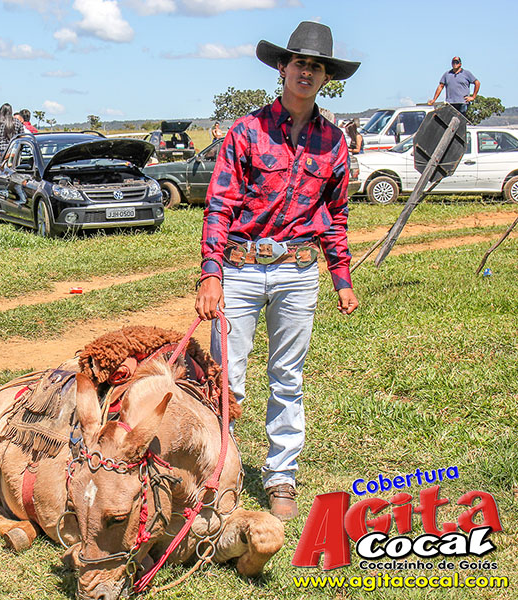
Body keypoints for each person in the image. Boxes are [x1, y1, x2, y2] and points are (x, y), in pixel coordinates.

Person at [194, 21, 360, 522]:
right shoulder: (246, 132)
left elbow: (335, 215)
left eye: (317, 66)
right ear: (283, 69)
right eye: (299, 63)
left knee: (287, 377)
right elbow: (219, 205)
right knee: (226, 381)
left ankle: (281, 477)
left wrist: (342, 276)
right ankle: (218, 473)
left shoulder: (333, 143)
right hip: (241, 269)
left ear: (325, 77)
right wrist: (211, 273)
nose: (306, 72)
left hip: (297, 272)